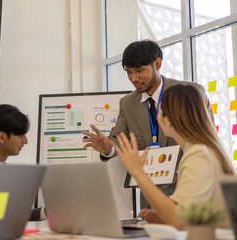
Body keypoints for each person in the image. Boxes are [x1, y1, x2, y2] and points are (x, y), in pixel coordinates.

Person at [83, 39, 214, 209]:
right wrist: (108, 148)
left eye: (139, 71)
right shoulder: (127, 103)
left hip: (193, 193)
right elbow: (118, 138)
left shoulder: (189, 93)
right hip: (151, 199)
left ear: (157, 64)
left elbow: (206, 142)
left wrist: (178, 174)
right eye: (129, 72)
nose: (134, 78)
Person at [110, 84, 235, 229]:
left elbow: (178, 219)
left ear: (168, 119)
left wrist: (138, 172)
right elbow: (188, 212)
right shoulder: (204, 150)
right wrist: (163, 218)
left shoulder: (199, 155)